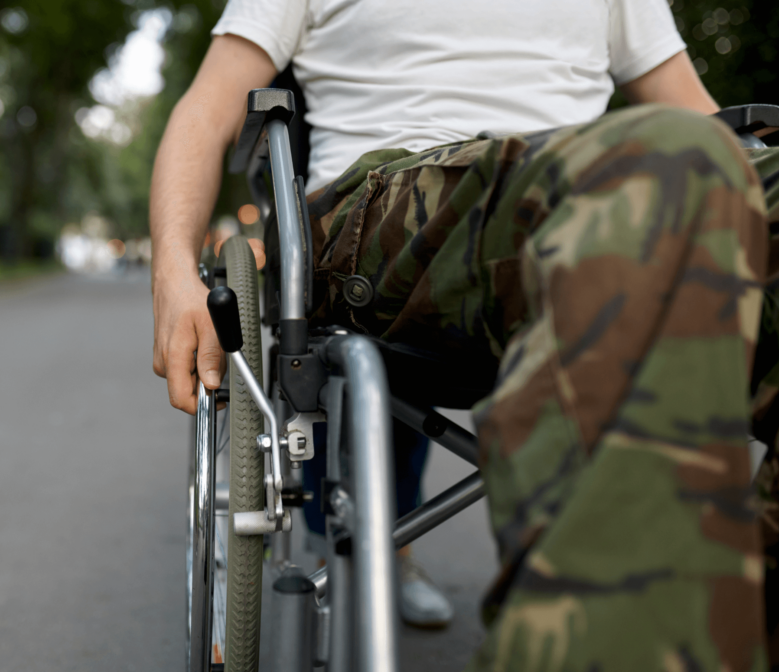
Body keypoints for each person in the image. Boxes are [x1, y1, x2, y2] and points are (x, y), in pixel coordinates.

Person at [150, 0, 779, 668]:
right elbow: (207, 108)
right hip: (389, 208)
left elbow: (704, 117)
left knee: (688, 163)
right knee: (668, 160)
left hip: (624, 196)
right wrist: (172, 272)